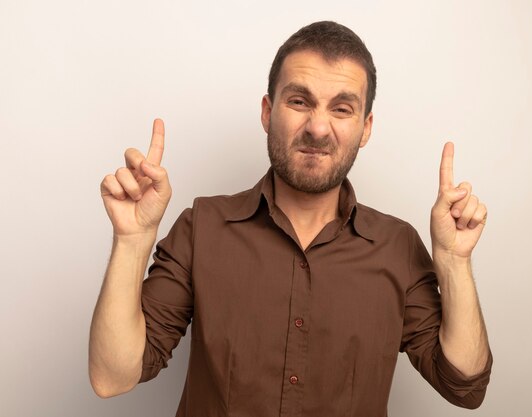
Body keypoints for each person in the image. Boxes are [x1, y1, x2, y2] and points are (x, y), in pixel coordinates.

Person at [89, 21, 492, 416]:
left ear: (365, 128)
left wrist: (454, 263)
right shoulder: (202, 227)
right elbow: (112, 378)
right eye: (300, 101)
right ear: (267, 112)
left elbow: (464, 386)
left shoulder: (397, 246)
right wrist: (131, 240)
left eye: (342, 108)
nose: (318, 128)